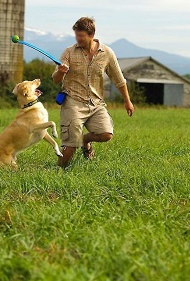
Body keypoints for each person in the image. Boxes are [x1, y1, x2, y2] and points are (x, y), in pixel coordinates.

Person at [52, 17, 134, 168]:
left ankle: (84, 140)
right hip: (73, 102)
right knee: (70, 148)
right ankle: (57, 172)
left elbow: (119, 80)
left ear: (91, 34)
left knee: (106, 134)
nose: (78, 39)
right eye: (76, 35)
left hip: (96, 103)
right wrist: (61, 72)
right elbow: (55, 79)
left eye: (81, 36)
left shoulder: (107, 53)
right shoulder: (69, 52)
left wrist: (127, 101)